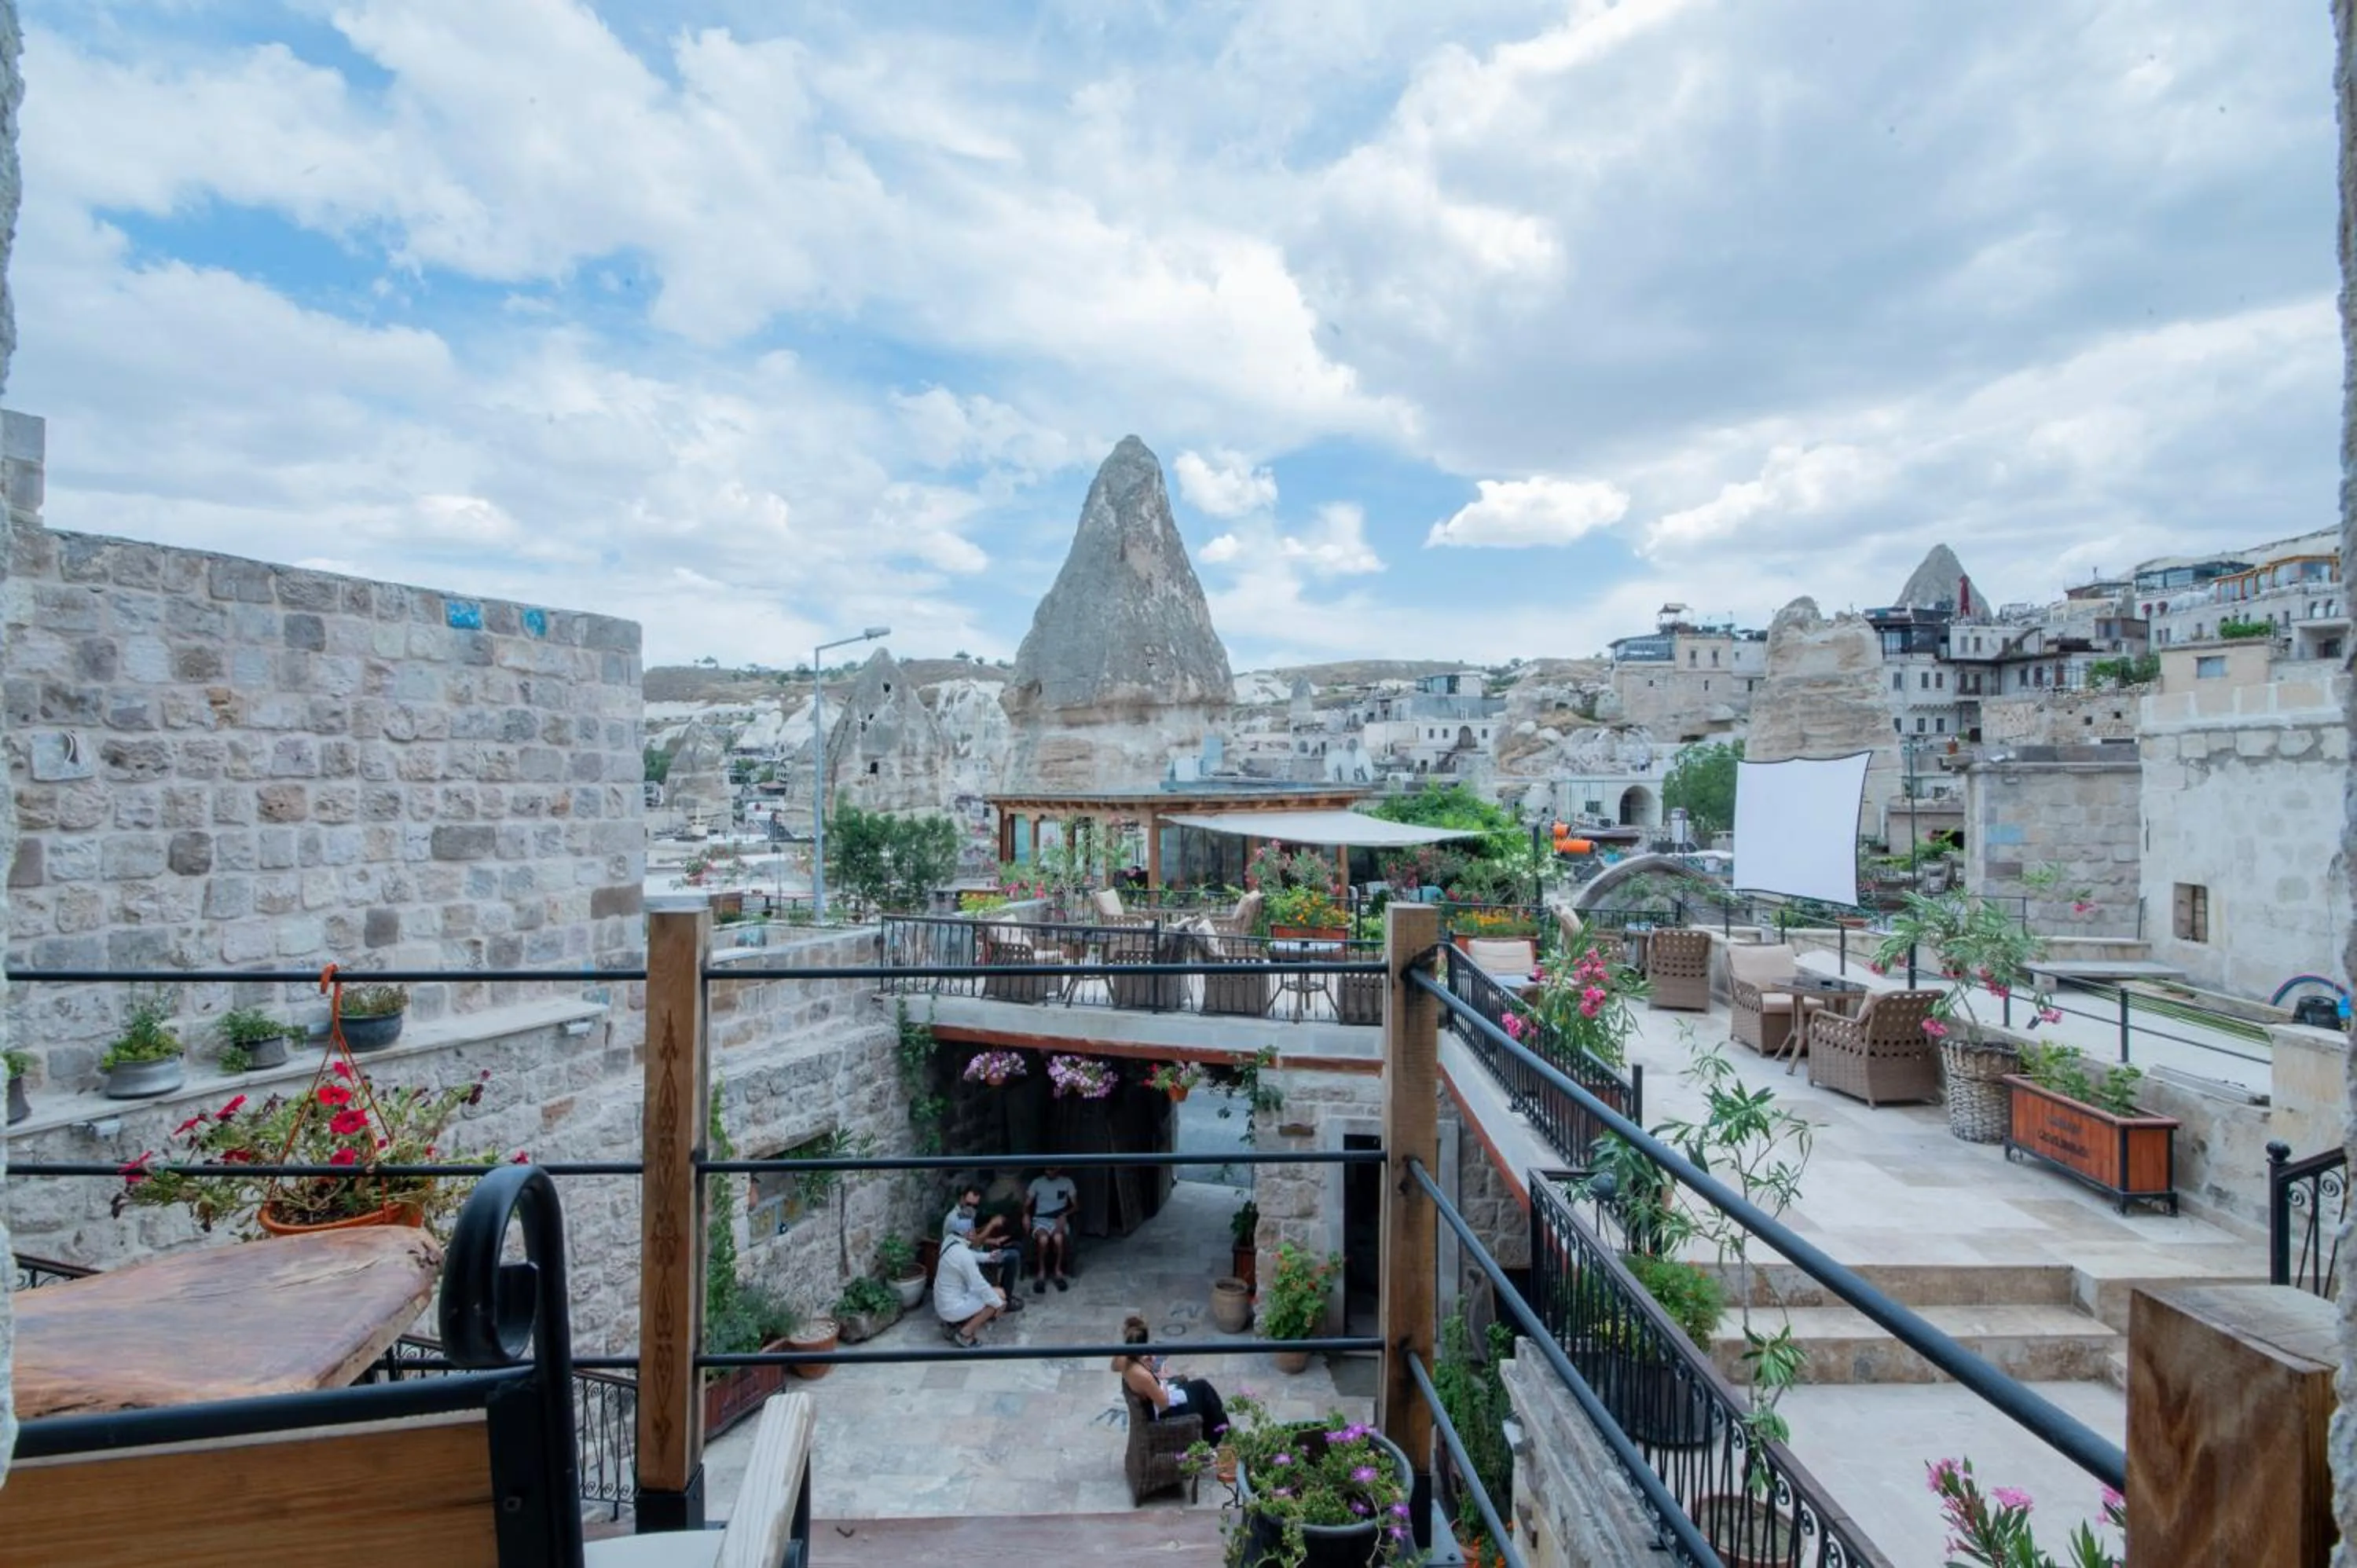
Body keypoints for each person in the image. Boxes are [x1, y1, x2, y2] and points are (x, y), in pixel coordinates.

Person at [1111, 1315, 1233, 1480]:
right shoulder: (1143, 1376)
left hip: (1153, 1401)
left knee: (1202, 1388)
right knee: (1206, 1395)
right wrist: (1161, 1377)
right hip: (1164, 1415)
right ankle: (1223, 1446)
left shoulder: (1124, 1360)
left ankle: (1214, 1444)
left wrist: (1144, 1361)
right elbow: (1164, 1404)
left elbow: (1114, 1366)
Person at [942, 1184, 1024, 1306]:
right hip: (973, 1260)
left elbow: (971, 1238)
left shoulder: (965, 1213)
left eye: (975, 1205)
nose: (971, 1208)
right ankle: (1005, 1300)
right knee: (1012, 1256)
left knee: (1015, 1246)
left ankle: (1004, 1295)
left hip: (978, 1253)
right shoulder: (957, 1218)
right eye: (969, 1204)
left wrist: (993, 1240)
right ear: (962, 1199)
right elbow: (975, 1242)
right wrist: (991, 1225)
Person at [931, 1230, 1006, 1347]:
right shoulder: (964, 1256)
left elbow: (971, 1255)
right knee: (997, 1298)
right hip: (952, 1307)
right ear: (966, 1235)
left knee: (995, 1295)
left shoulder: (950, 1242)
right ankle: (965, 1333)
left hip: (944, 1303)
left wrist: (990, 1257)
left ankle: (955, 1324)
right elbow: (980, 1285)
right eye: (972, 1233)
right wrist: (999, 1304)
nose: (975, 1235)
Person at [1025, 1166, 1079, 1293]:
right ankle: (1041, 1271)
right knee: (1043, 1239)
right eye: (1047, 1170)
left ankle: (1057, 1271)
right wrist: (1026, 1215)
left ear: (1058, 1169)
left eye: (1052, 1169)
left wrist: (1065, 1215)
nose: (1049, 1172)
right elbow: (1027, 1204)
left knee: (1058, 1239)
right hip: (1041, 1219)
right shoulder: (1037, 1182)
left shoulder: (1067, 1182)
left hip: (1059, 1218)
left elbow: (1076, 1206)